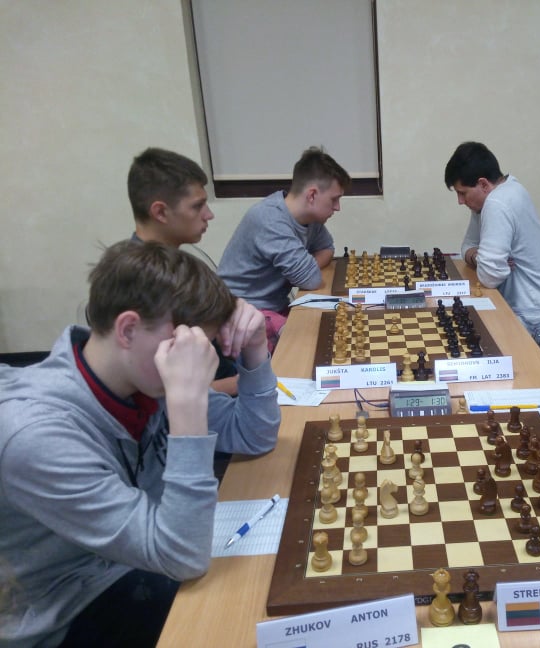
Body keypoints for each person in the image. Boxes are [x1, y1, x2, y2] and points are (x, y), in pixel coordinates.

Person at [0, 241, 281, 647]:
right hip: (67, 612)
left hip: (147, 556)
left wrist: (254, 351)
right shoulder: (37, 436)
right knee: (245, 621)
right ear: (128, 329)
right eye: (186, 346)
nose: (197, 362)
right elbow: (181, 555)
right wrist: (187, 404)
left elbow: (254, 435)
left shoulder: (142, 380)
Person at [127, 147, 239, 395]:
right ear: (160, 212)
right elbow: (158, 391)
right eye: (197, 206)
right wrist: (243, 383)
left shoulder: (178, 263)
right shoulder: (141, 283)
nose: (209, 215)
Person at [218, 147, 351, 352]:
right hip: (240, 312)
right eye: (334, 199)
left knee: (332, 330)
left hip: (274, 306)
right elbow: (311, 280)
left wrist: (306, 268)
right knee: (308, 347)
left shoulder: (310, 219)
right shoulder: (269, 219)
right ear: (312, 195)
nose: (337, 207)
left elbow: (327, 249)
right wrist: (304, 271)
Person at [444, 142, 540, 332]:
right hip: (530, 307)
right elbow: (467, 246)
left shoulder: (497, 203)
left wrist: (483, 260)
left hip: (535, 316)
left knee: (456, 331)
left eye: (462, 193)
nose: (460, 201)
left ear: (483, 184)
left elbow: (489, 277)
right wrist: (479, 257)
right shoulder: (506, 189)